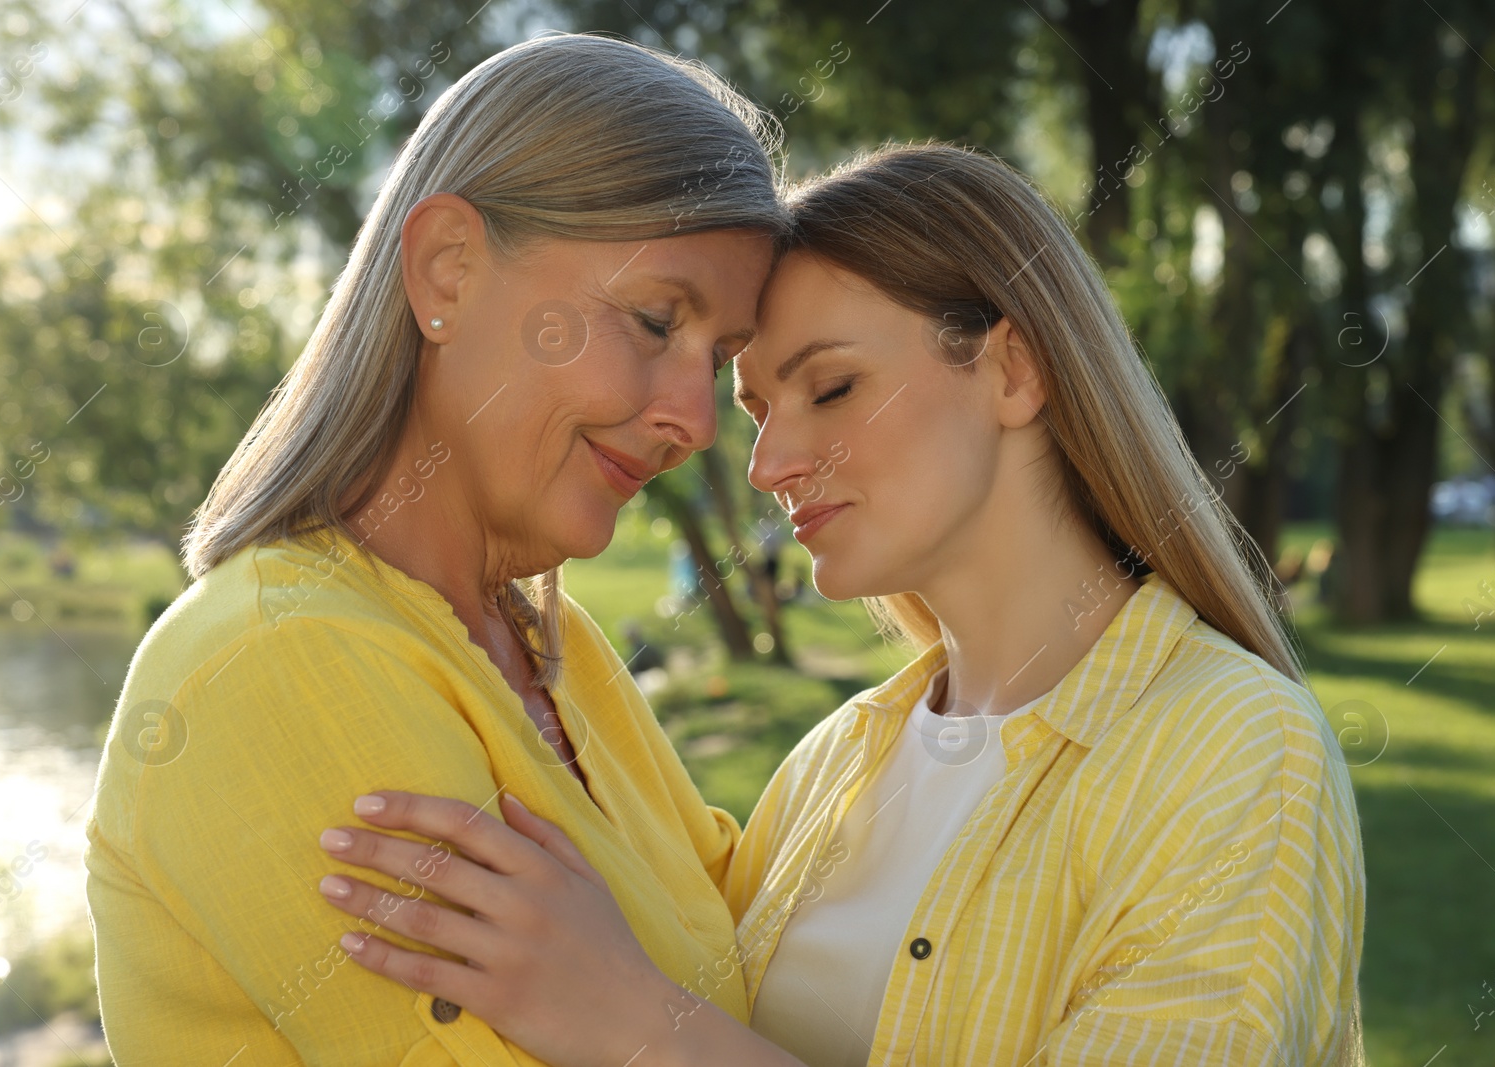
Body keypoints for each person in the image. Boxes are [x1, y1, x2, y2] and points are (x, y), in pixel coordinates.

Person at [319, 144, 1367, 1066]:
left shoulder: (1235, 757)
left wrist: (643, 1025)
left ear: (1013, 368)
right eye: (760, 409)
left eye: (830, 389)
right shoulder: (828, 767)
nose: (770, 461)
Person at [84, 32, 785, 1066]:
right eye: (651, 319)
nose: (697, 418)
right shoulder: (283, 663)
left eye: (719, 358)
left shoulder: (554, 646)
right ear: (446, 269)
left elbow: (765, 933)